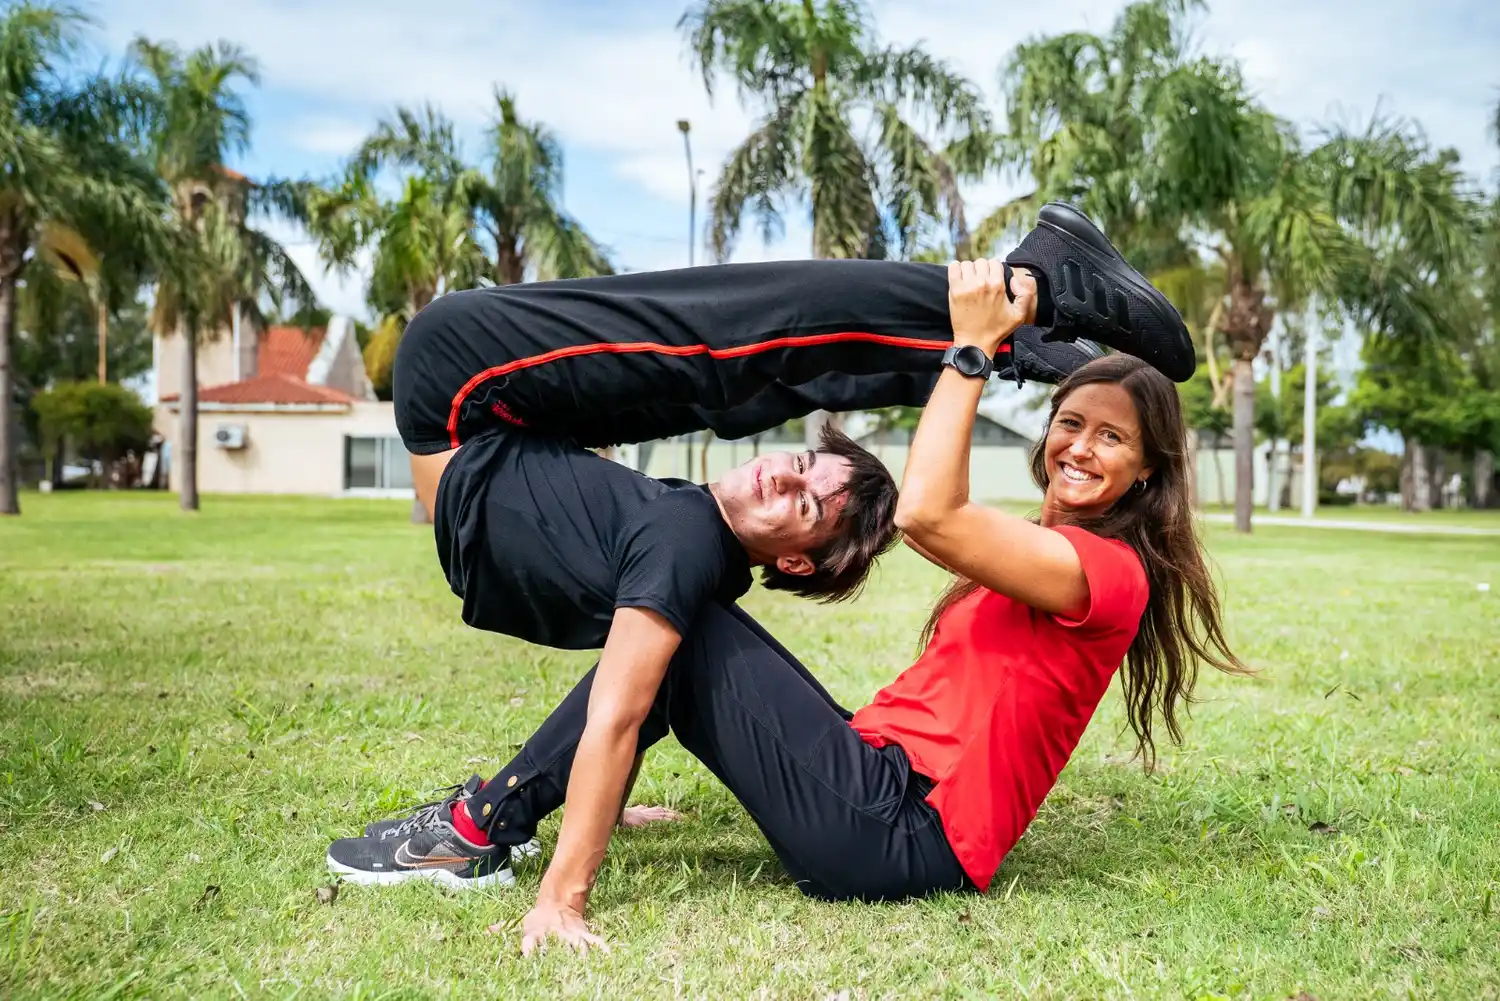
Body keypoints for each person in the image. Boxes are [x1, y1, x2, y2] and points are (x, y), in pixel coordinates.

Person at [327, 208, 1225, 956]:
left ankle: (483, 824)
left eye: (1112, 437)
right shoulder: (1052, 551)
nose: (1077, 445)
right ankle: (500, 815)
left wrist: (971, 349)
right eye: (1072, 420)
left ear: (1149, 471)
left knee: (674, 592)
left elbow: (926, 512)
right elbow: (915, 519)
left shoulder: (1109, 572)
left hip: (899, 833)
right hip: (880, 791)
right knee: (685, 596)